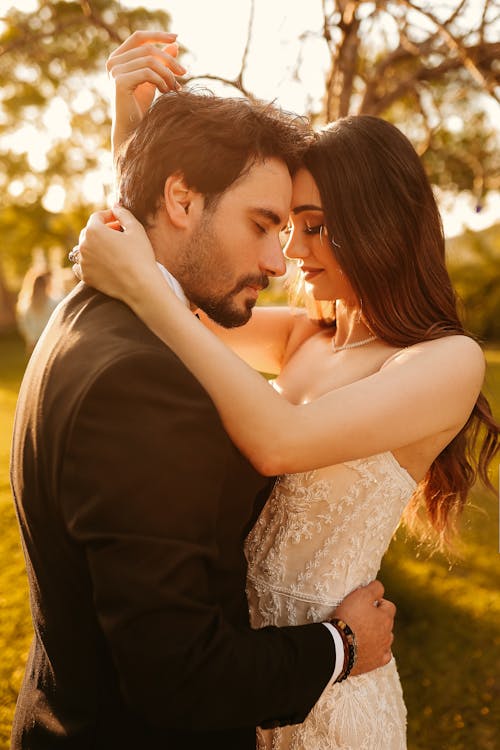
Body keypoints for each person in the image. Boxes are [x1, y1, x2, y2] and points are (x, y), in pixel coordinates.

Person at [72, 37, 498, 749]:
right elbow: (164, 288)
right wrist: (132, 127)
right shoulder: (308, 333)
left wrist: (147, 281)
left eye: (316, 227)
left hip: (336, 700)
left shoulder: (445, 362)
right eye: (289, 225)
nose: (292, 253)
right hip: (245, 678)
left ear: (382, 224)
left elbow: (277, 441)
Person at [9, 36, 396, 750]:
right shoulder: (144, 383)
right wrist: (342, 646)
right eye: (262, 225)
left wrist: (130, 128)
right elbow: (180, 678)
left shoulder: (86, 313)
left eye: (291, 231)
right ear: (181, 199)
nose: (278, 261)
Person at [16, 267, 60, 353]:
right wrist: (32, 340)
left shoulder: (53, 302)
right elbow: (25, 325)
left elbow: (24, 325)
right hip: (40, 341)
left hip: (46, 340)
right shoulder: (26, 305)